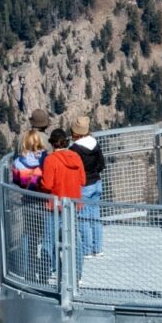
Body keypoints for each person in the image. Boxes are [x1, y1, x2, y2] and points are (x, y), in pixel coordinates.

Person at [41, 128, 86, 280]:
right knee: (75, 240)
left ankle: (47, 273)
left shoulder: (50, 160)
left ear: (53, 144)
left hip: (54, 205)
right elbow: (83, 181)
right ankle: (77, 273)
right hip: (72, 205)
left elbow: (47, 185)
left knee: (49, 239)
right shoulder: (76, 157)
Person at [12, 130, 48, 281]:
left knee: (30, 237)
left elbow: (17, 182)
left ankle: (30, 269)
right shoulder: (45, 161)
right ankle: (46, 271)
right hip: (45, 203)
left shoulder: (18, 163)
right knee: (46, 236)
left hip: (27, 203)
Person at [70, 116, 106, 258]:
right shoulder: (95, 144)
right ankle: (98, 248)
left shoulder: (74, 149)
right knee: (95, 217)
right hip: (97, 182)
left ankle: (86, 250)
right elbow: (102, 164)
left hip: (84, 185)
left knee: (83, 218)